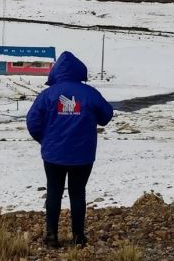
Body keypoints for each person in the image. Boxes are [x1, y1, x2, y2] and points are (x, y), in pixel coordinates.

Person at [26, 51, 113, 248]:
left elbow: (32, 122)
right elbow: (106, 115)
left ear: (56, 72)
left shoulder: (47, 95)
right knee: (78, 193)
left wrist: (45, 140)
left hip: (53, 155)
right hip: (82, 156)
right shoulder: (90, 93)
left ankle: (51, 237)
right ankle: (78, 237)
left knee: (54, 192)